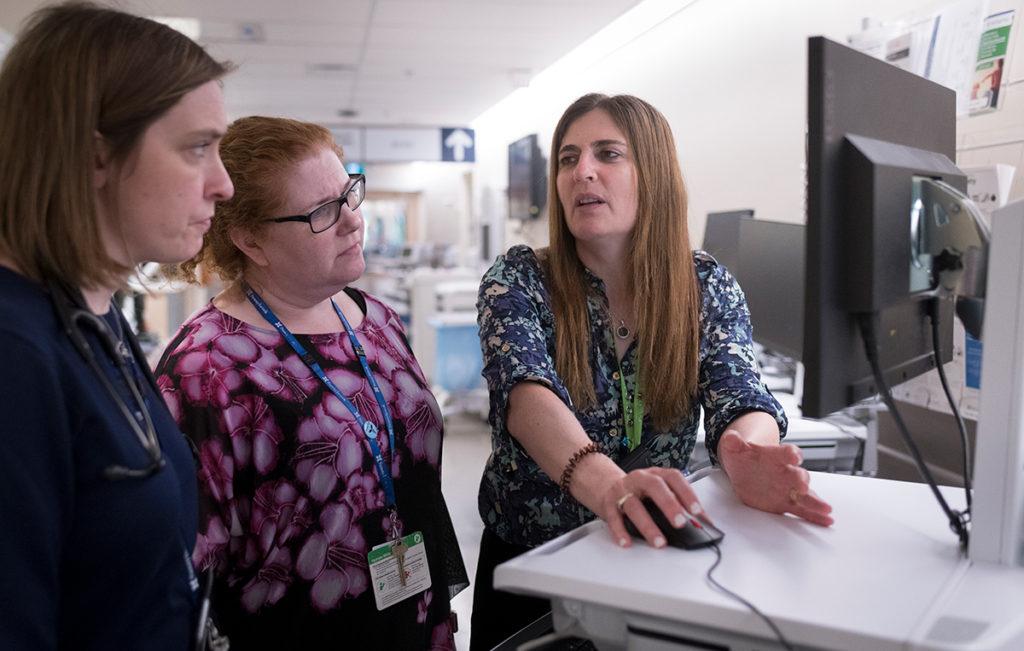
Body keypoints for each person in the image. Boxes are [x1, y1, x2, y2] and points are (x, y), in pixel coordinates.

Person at [470, 93, 834, 649]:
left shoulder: (704, 285)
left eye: (607, 154)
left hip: (648, 557)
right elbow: (527, 397)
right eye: (568, 159)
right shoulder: (519, 278)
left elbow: (741, 392)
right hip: (532, 565)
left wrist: (747, 451)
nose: (581, 171)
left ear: (654, 174)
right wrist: (613, 488)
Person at [155, 116, 468, 650]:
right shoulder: (208, 370)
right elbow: (187, 567)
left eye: (348, 194)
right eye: (323, 211)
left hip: (412, 621)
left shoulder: (378, 322)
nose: (352, 220)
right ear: (251, 240)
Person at [0, 3, 235, 649]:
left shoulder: (91, 314)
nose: (224, 184)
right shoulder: (16, 352)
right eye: (197, 149)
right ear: (93, 154)